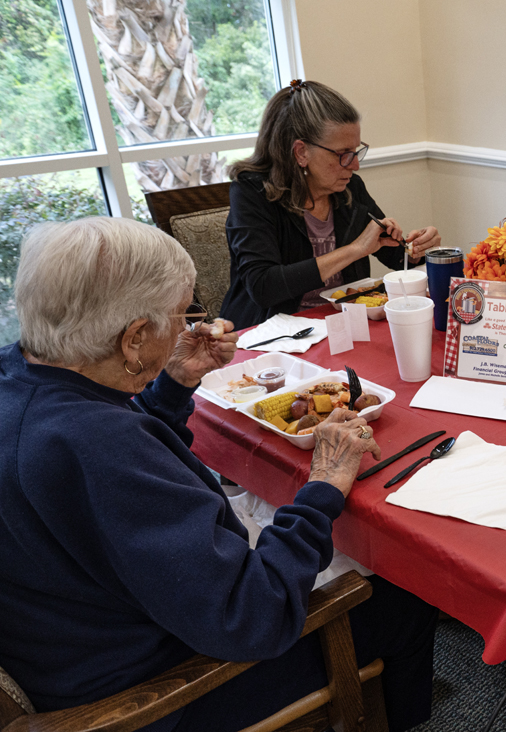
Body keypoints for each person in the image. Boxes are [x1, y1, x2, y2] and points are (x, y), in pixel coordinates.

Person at [0, 218, 436, 732]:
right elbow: (255, 614)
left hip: (74, 635)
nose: (190, 323)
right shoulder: (96, 446)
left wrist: (171, 385)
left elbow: (116, 480)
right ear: (135, 337)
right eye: (182, 312)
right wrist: (323, 485)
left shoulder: (26, 379)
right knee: (406, 596)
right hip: (160, 692)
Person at [220, 79, 441, 329]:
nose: (355, 164)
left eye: (356, 151)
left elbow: (394, 254)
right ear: (301, 152)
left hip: (344, 326)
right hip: (273, 335)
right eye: (343, 154)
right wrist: (355, 249)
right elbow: (263, 286)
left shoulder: (348, 187)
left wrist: (421, 248)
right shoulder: (252, 192)